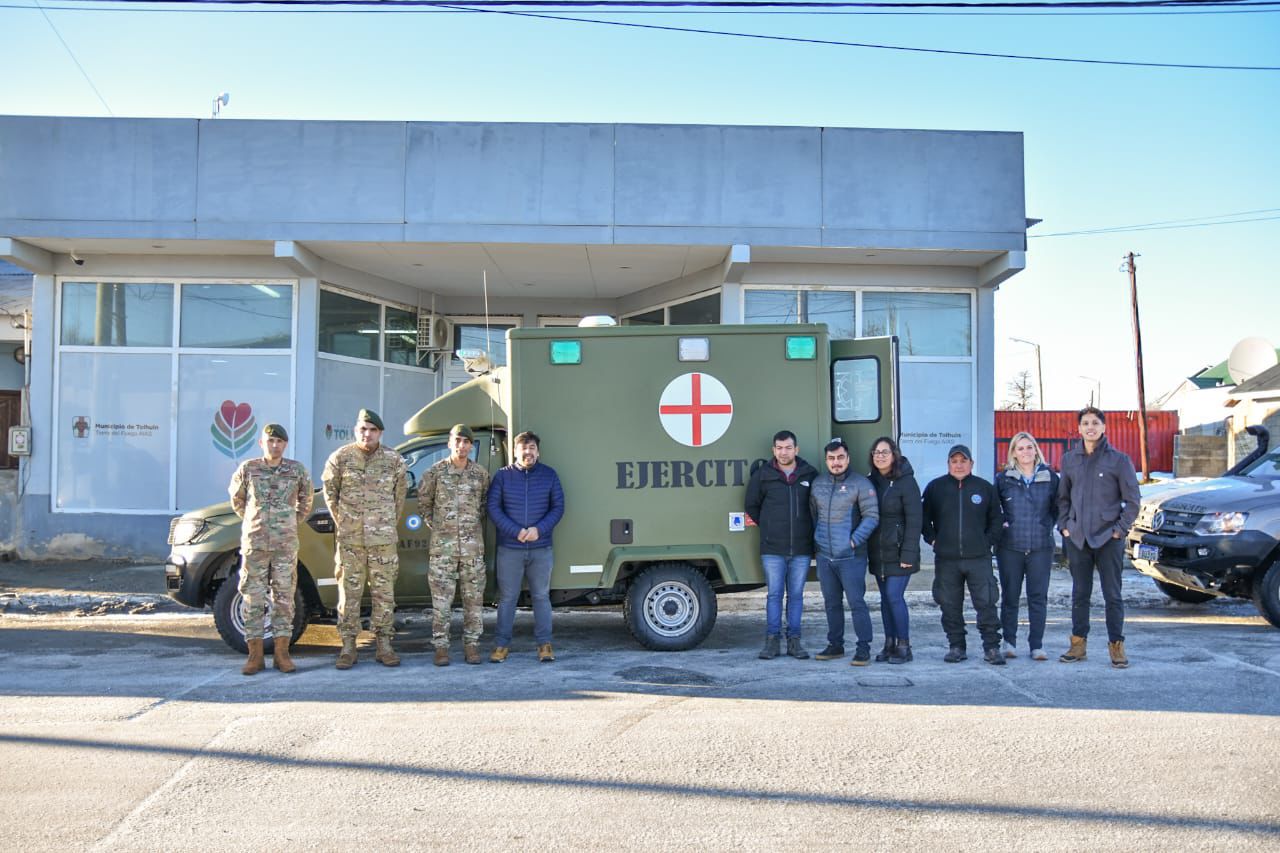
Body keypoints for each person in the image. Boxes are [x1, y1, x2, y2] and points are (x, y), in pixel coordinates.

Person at [322, 409, 408, 670]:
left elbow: (399, 499)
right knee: (349, 595)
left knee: (384, 595)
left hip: (382, 541)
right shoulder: (340, 458)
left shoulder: (394, 461)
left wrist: (383, 525)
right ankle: (348, 647)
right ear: (355, 430)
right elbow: (330, 494)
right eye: (362, 429)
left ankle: (384, 645)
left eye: (372, 430)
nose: (367, 434)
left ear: (380, 433)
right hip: (351, 541)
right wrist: (346, 524)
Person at [1057, 406, 1141, 668]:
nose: (1090, 427)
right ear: (1079, 428)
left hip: (1108, 539)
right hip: (1078, 538)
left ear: (1104, 427)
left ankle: (1116, 646)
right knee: (1080, 594)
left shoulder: (1119, 460)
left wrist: (1120, 529)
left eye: (1095, 423)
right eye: (1085, 423)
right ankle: (1078, 645)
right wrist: (1065, 526)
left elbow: (1133, 501)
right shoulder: (1070, 459)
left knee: (1112, 595)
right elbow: (1063, 498)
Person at [228, 423, 312, 676]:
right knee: (253, 598)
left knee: (284, 598)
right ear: (261, 443)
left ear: (285, 445)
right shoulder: (248, 469)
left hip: (285, 545)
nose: (274, 445)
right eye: (270, 441)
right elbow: (237, 500)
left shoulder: (296, 470)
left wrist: (287, 522)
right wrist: (257, 521)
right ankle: (255, 656)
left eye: (279, 442)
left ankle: (281, 654)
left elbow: (306, 502)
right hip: (255, 543)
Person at [921, 444, 1006, 665]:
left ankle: (992, 648)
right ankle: (956, 646)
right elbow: (923, 519)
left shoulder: (984, 488)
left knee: (986, 603)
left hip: (978, 558)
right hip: (947, 559)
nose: (959, 465)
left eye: (963, 460)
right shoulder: (935, 488)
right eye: (954, 461)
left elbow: (997, 520)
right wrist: (932, 539)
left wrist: (986, 542)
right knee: (949, 605)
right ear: (948, 463)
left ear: (971, 464)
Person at [486, 430, 565, 664]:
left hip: (541, 548)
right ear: (514, 451)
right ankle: (501, 645)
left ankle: (545, 645)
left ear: (537, 451)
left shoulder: (549, 475)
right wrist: (516, 531)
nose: (527, 452)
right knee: (508, 598)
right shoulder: (502, 477)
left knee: (541, 596)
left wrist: (538, 530)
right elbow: (493, 507)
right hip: (510, 549)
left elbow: (558, 507)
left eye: (531, 448)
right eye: (523, 448)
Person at [418, 423, 491, 666]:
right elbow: (424, 504)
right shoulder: (435, 473)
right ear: (449, 443)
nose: (462, 446)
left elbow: (483, 506)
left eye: (466, 442)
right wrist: (439, 527)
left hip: (472, 550)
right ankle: (441, 648)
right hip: (443, 550)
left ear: (471, 446)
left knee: (473, 601)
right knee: (441, 603)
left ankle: (471, 646)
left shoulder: (480, 475)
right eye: (457, 441)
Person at [744, 430, 819, 660]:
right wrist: (768, 528)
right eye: (779, 447)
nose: (783, 452)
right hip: (772, 549)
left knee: (796, 596)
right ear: (773, 450)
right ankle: (772, 642)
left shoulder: (810, 474)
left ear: (796, 449)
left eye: (788, 447)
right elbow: (751, 505)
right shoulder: (763, 475)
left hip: (801, 548)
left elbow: (817, 508)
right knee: (774, 595)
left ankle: (794, 641)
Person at [810, 437, 880, 665]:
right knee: (831, 603)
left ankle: (863, 648)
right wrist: (817, 542)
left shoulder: (861, 484)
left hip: (851, 557)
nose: (836, 462)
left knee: (856, 602)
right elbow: (813, 515)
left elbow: (872, 517)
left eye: (840, 457)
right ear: (826, 460)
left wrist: (853, 541)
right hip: (825, 557)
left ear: (848, 458)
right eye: (831, 458)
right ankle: (835, 645)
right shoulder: (818, 483)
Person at [996, 432, 1059, 662]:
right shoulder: (1003, 479)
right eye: (1020, 448)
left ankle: (1037, 645)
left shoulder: (1049, 477)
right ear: (1013, 452)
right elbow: (996, 507)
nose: (1025, 452)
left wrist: (1046, 525)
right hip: (1010, 546)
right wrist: (1003, 521)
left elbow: (1057, 507)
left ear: (1036, 450)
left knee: (1038, 597)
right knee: (1010, 596)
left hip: (1040, 547)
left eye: (1029, 447)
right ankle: (1009, 642)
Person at [865, 436, 922, 665]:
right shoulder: (870, 482)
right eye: (876, 452)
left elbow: (915, 520)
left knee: (894, 596)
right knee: (884, 600)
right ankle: (889, 644)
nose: (880, 456)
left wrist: (908, 553)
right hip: (879, 551)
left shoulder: (906, 482)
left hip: (900, 552)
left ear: (894, 454)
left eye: (884, 452)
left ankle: (904, 646)